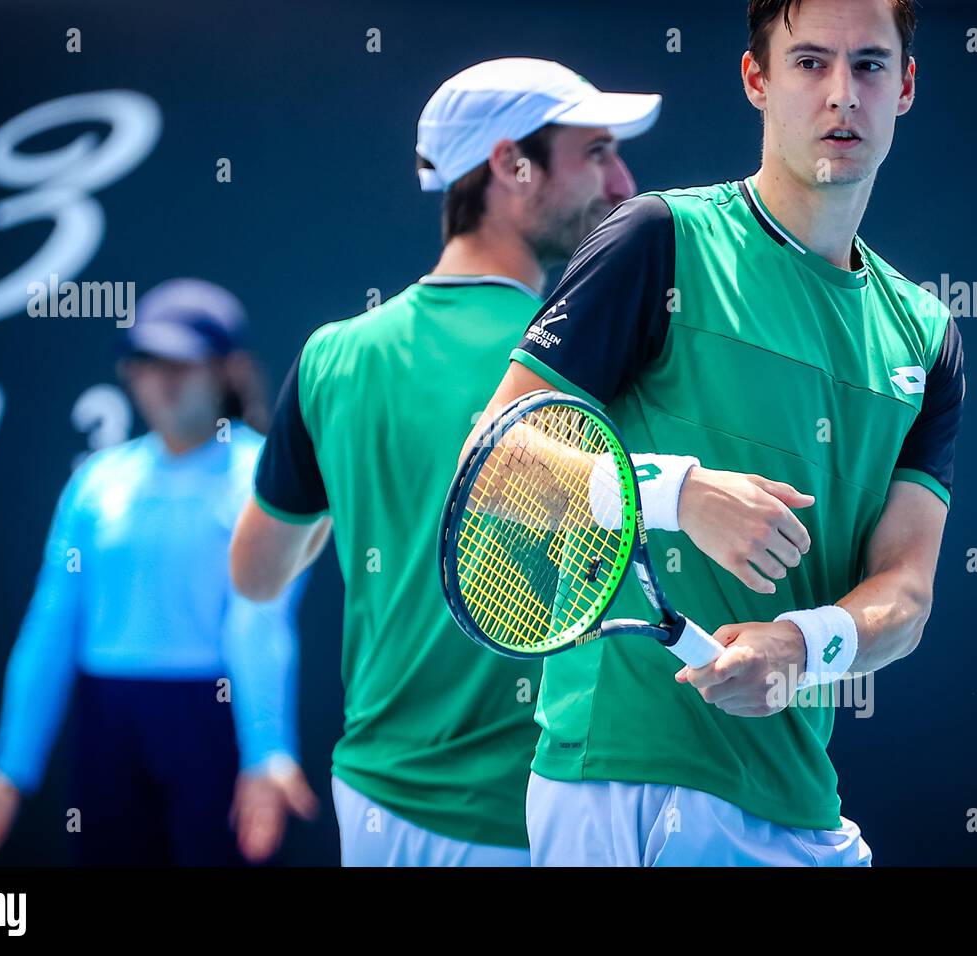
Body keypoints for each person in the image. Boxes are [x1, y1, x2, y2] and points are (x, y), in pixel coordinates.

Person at [469, 0, 965, 866]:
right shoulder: (657, 239)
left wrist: (802, 645)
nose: (843, 95)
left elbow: (907, 596)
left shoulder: (928, 338)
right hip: (622, 782)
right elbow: (493, 462)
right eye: (810, 63)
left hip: (794, 795)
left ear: (907, 85)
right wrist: (675, 494)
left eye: (870, 66)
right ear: (757, 80)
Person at [229, 58, 661, 866]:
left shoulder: (332, 358)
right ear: (509, 164)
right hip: (538, 817)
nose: (621, 182)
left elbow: (256, 575)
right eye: (596, 152)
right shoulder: (602, 363)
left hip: (377, 807)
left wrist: (358, 486)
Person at [0, 279, 326, 867]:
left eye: (184, 362)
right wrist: (10, 769)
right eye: (150, 362)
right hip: (107, 726)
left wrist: (266, 753)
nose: (165, 380)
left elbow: (259, 624)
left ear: (226, 370)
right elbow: (51, 626)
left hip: (211, 726)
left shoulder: (264, 475)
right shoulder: (96, 481)